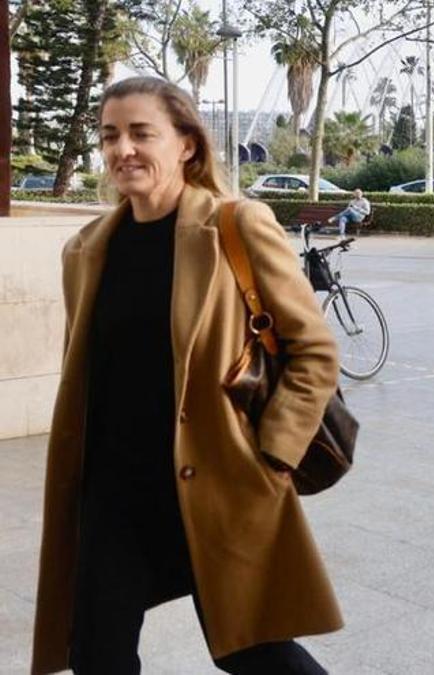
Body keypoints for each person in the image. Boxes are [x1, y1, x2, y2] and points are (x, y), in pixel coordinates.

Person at [30, 77, 342, 674]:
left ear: (187, 145)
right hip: (114, 490)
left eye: (142, 133)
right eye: (110, 135)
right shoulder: (87, 249)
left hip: (215, 478)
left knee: (254, 651)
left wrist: (273, 456)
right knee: (97, 652)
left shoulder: (235, 226)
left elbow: (315, 351)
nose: (124, 149)